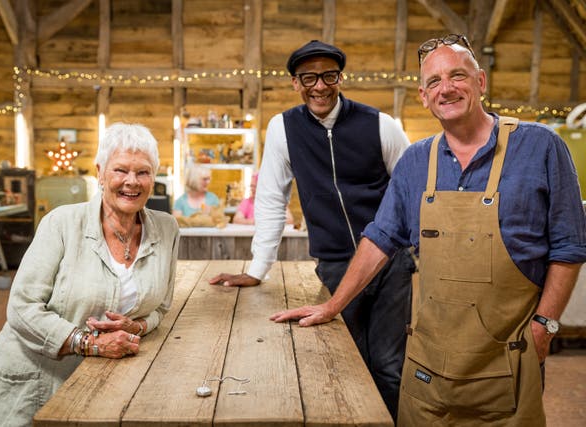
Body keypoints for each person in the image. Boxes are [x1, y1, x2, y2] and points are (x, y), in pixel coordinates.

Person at [270, 34, 586, 426]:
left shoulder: (540, 147)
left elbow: (569, 247)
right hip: (429, 371)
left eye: (457, 76)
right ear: (423, 95)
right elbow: (379, 238)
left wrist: (545, 326)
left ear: (481, 82)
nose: (446, 88)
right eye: (434, 82)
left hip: (508, 365)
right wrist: (333, 305)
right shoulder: (416, 161)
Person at [209, 40, 415, 420]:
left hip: (392, 265)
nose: (319, 86)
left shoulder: (381, 125)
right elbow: (272, 198)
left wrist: (418, 257)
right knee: (347, 361)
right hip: (336, 264)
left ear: (340, 78)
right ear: (295, 82)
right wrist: (257, 269)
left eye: (328, 76)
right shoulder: (283, 128)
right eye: (308, 78)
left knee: (388, 364)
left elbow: (412, 192)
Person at [0, 123, 180, 426]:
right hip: (36, 377)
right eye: (120, 170)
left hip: (101, 382)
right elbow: (21, 307)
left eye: (143, 172)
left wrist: (136, 326)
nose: (132, 182)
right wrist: (89, 343)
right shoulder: (61, 223)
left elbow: (161, 307)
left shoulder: (167, 229)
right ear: (100, 172)